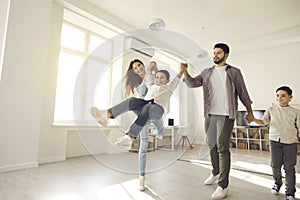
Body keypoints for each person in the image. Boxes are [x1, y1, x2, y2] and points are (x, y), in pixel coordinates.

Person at [181, 43, 254, 199]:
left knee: (222, 147)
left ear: (226, 55)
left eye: (218, 53)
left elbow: (243, 94)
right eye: (214, 53)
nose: (215, 55)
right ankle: (215, 172)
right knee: (211, 144)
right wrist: (185, 71)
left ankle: (223, 185)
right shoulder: (207, 72)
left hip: (226, 115)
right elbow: (193, 83)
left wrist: (250, 113)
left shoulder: (234, 72)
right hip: (210, 114)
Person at [91, 65, 183, 149]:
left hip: (157, 110)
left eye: (162, 78)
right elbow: (150, 76)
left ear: (167, 81)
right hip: (145, 107)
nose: (159, 80)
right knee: (132, 100)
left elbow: (176, 79)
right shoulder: (152, 86)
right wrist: (153, 68)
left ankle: (130, 136)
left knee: (148, 107)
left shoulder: (168, 88)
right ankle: (107, 114)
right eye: (157, 77)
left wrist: (182, 71)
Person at [251, 86, 300, 200]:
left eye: (283, 95)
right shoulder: (271, 110)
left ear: (290, 97)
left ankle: (290, 192)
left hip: (290, 142)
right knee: (275, 165)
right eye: (278, 95)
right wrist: (253, 119)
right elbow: (263, 122)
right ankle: (277, 183)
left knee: (289, 167)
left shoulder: (296, 112)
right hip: (274, 141)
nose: (280, 98)